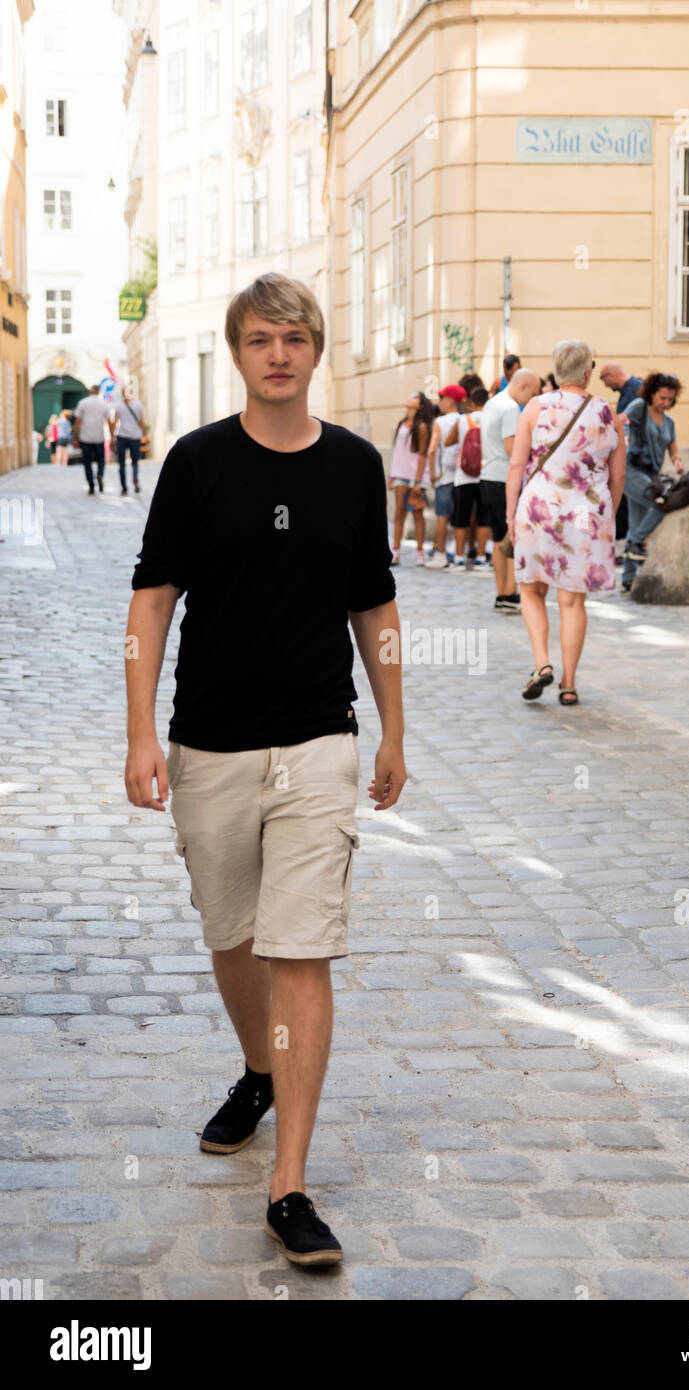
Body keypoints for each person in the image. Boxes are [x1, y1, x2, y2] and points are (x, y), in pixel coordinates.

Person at [125, 271, 406, 1267]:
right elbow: (152, 601)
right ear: (239, 354)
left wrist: (391, 730)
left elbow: (372, 606)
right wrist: (140, 733)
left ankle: (289, 1182)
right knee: (233, 936)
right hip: (208, 743)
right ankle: (256, 1066)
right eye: (258, 339)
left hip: (318, 740)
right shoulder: (196, 464)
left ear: (315, 350)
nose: (276, 354)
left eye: (292, 338)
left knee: (301, 948)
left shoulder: (354, 466)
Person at [507, 339, 624, 706]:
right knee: (573, 603)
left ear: (555, 372)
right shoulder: (608, 413)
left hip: (538, 511)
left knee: (531, 591)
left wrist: (511, 514)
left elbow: (516, 466)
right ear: (588, 373)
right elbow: (617, 476)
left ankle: (542, 662)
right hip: (586, 517)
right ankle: (569, 684)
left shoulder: (535, 408)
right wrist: (609, 512)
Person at [480, 366, 540, 612]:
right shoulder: (511, 408)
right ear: (523, 386)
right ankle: (510, 593)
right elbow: (511, 448)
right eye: (534, 392)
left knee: (497, 538)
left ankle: (501, 593)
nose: (533, 399)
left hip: (487, 477)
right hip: (504, 479)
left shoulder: (491, 403)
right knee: (512, 536)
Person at [620, 373, 685, 592]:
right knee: (662, 503)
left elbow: (673, 449)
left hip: (650, 475)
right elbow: (621, 422)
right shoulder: (640, 407)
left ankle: (628, 580)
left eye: (670, 399)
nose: (666, 403)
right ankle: (635, 542)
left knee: (636, 522)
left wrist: (677, 462)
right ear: (652, 394)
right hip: (631, 470)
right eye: (662, 398)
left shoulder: (669, 422)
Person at [388, 391, 435, 566]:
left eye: (415, 396)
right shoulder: (402, 424)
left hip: (415, 476)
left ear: (420, 404)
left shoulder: (421, 427)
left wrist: (417, 481)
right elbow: (398, 451)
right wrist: (391, 475)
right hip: (399, 474)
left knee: (417, 514)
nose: (410, 397)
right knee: (399, 512)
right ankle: (395, 552)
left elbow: (422, 455)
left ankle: (420, 553)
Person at [599, 362, 643, 547]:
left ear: (611, 374)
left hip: (633, 455)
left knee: (633, 504)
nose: (605, 384)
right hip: (629, 453)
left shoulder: (635, 391)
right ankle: (631, 543)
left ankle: (633, 542)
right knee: (632, 506)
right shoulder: (630, 391)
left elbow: (626, 424)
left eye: (604, 379)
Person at [446, 385, 487, 570]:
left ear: (471, 403)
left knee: (461, 516)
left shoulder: (463, 420)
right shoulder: (490, 417)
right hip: (485, 474)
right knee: (483, 517)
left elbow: (448, 441)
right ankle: (480, 557)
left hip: (464, 475)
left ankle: (459, 556)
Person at [426, 383, 466, 569]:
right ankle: (459, 553)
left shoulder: (440, 422)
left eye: (442, 398)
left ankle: (440, 554)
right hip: (462, 475)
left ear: (451, 401)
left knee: (442, 516)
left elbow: (432, 449)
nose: (439, 401)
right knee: (461, 517)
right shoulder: (464, 419)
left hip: (444, 476)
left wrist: (432, 473)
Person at [73, 386, 115, 495]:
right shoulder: (103, 404)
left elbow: (78, 421)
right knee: (101, 459)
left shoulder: (83, 403)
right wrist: (112, 437)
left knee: (87, 462)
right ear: (98, 392)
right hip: (99, 437)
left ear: (89, 392)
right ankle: (100, 474)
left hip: (85, 437)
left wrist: (75, 437)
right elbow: (109, 422)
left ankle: (91, 485)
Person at [115, 385, 146, 496]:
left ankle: (124, 489)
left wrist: (113, 436)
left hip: (122, 436)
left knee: (122, 464)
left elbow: (115, 422)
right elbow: (141, 421)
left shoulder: (119, 405)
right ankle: (135, 478)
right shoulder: (138, 405)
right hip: (135, 436)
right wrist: (144, 433)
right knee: (135, 461)